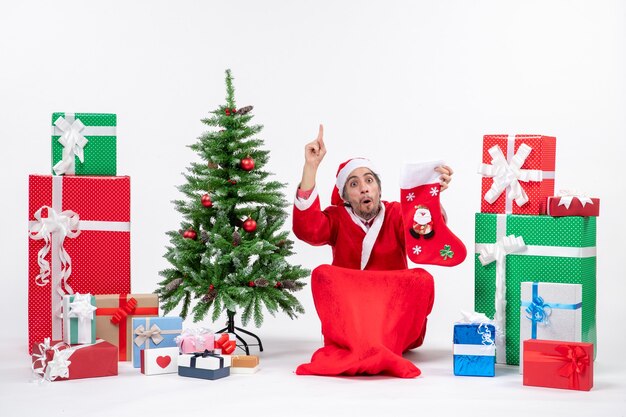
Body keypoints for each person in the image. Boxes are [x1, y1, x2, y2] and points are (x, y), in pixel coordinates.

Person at [292, 124, 454, 271]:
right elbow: (308, 228)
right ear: (345, 197)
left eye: (369, 180)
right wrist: (311, 167)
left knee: (422, 278)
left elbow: (422, 238)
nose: (364, 188)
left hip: (393, 298)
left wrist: (429, 197)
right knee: (322, 273)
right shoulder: (337, 219)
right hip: (349, 299)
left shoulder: (396, 213)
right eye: (354, 184)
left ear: (379, 188)